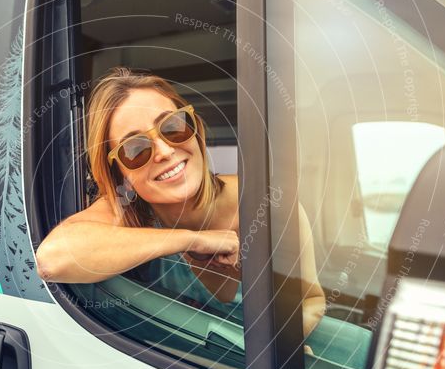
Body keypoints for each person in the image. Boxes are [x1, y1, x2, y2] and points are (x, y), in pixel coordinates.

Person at [35, 67, 323, 336]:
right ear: (120, 174)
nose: (164, 151)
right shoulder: (127, 212)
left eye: (173, 127)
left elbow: (311, 302)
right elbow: (52, 258)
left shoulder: (268, 204)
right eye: (135, 149)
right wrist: (192, 240)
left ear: (195, 128)